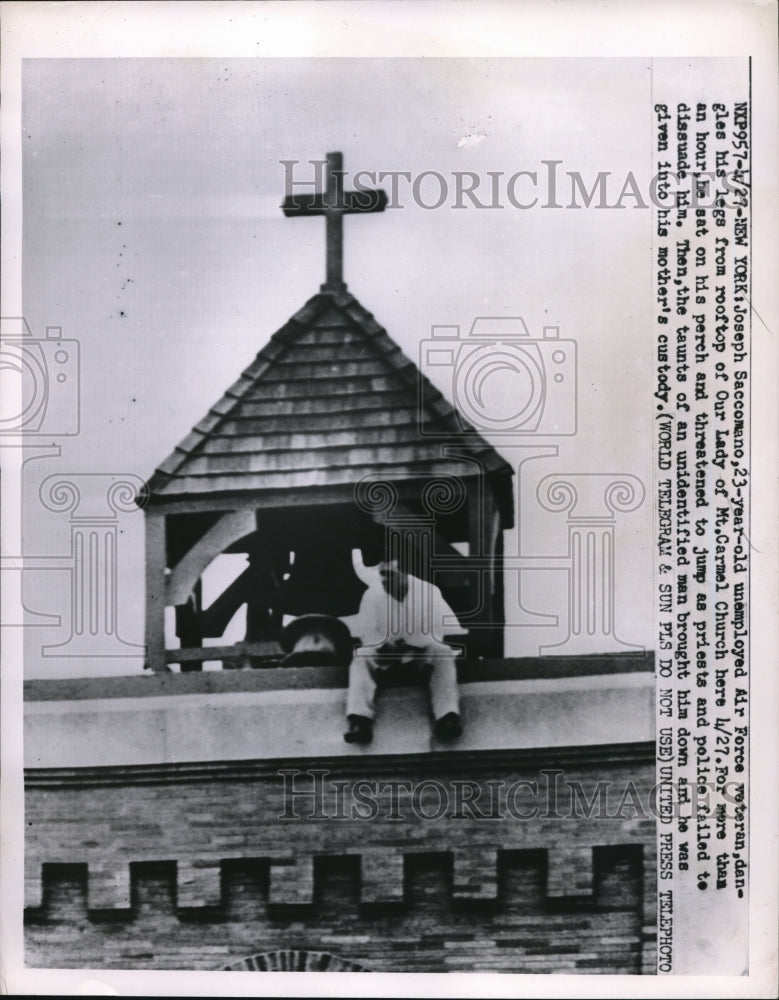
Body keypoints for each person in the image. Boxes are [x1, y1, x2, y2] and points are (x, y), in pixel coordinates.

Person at [342, 555, 466, 745]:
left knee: (442, 652)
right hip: (387, 660)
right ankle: (359, 720)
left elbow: (441, 629)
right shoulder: (372, 595)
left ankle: (447, 717)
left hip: (420, 658)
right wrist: (385, 646)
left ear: (406, 573)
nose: (384, 580)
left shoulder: (429, 592)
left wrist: (411, 643)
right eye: (382, 575)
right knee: (361, 656)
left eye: (390, 575)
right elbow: (367, 633)